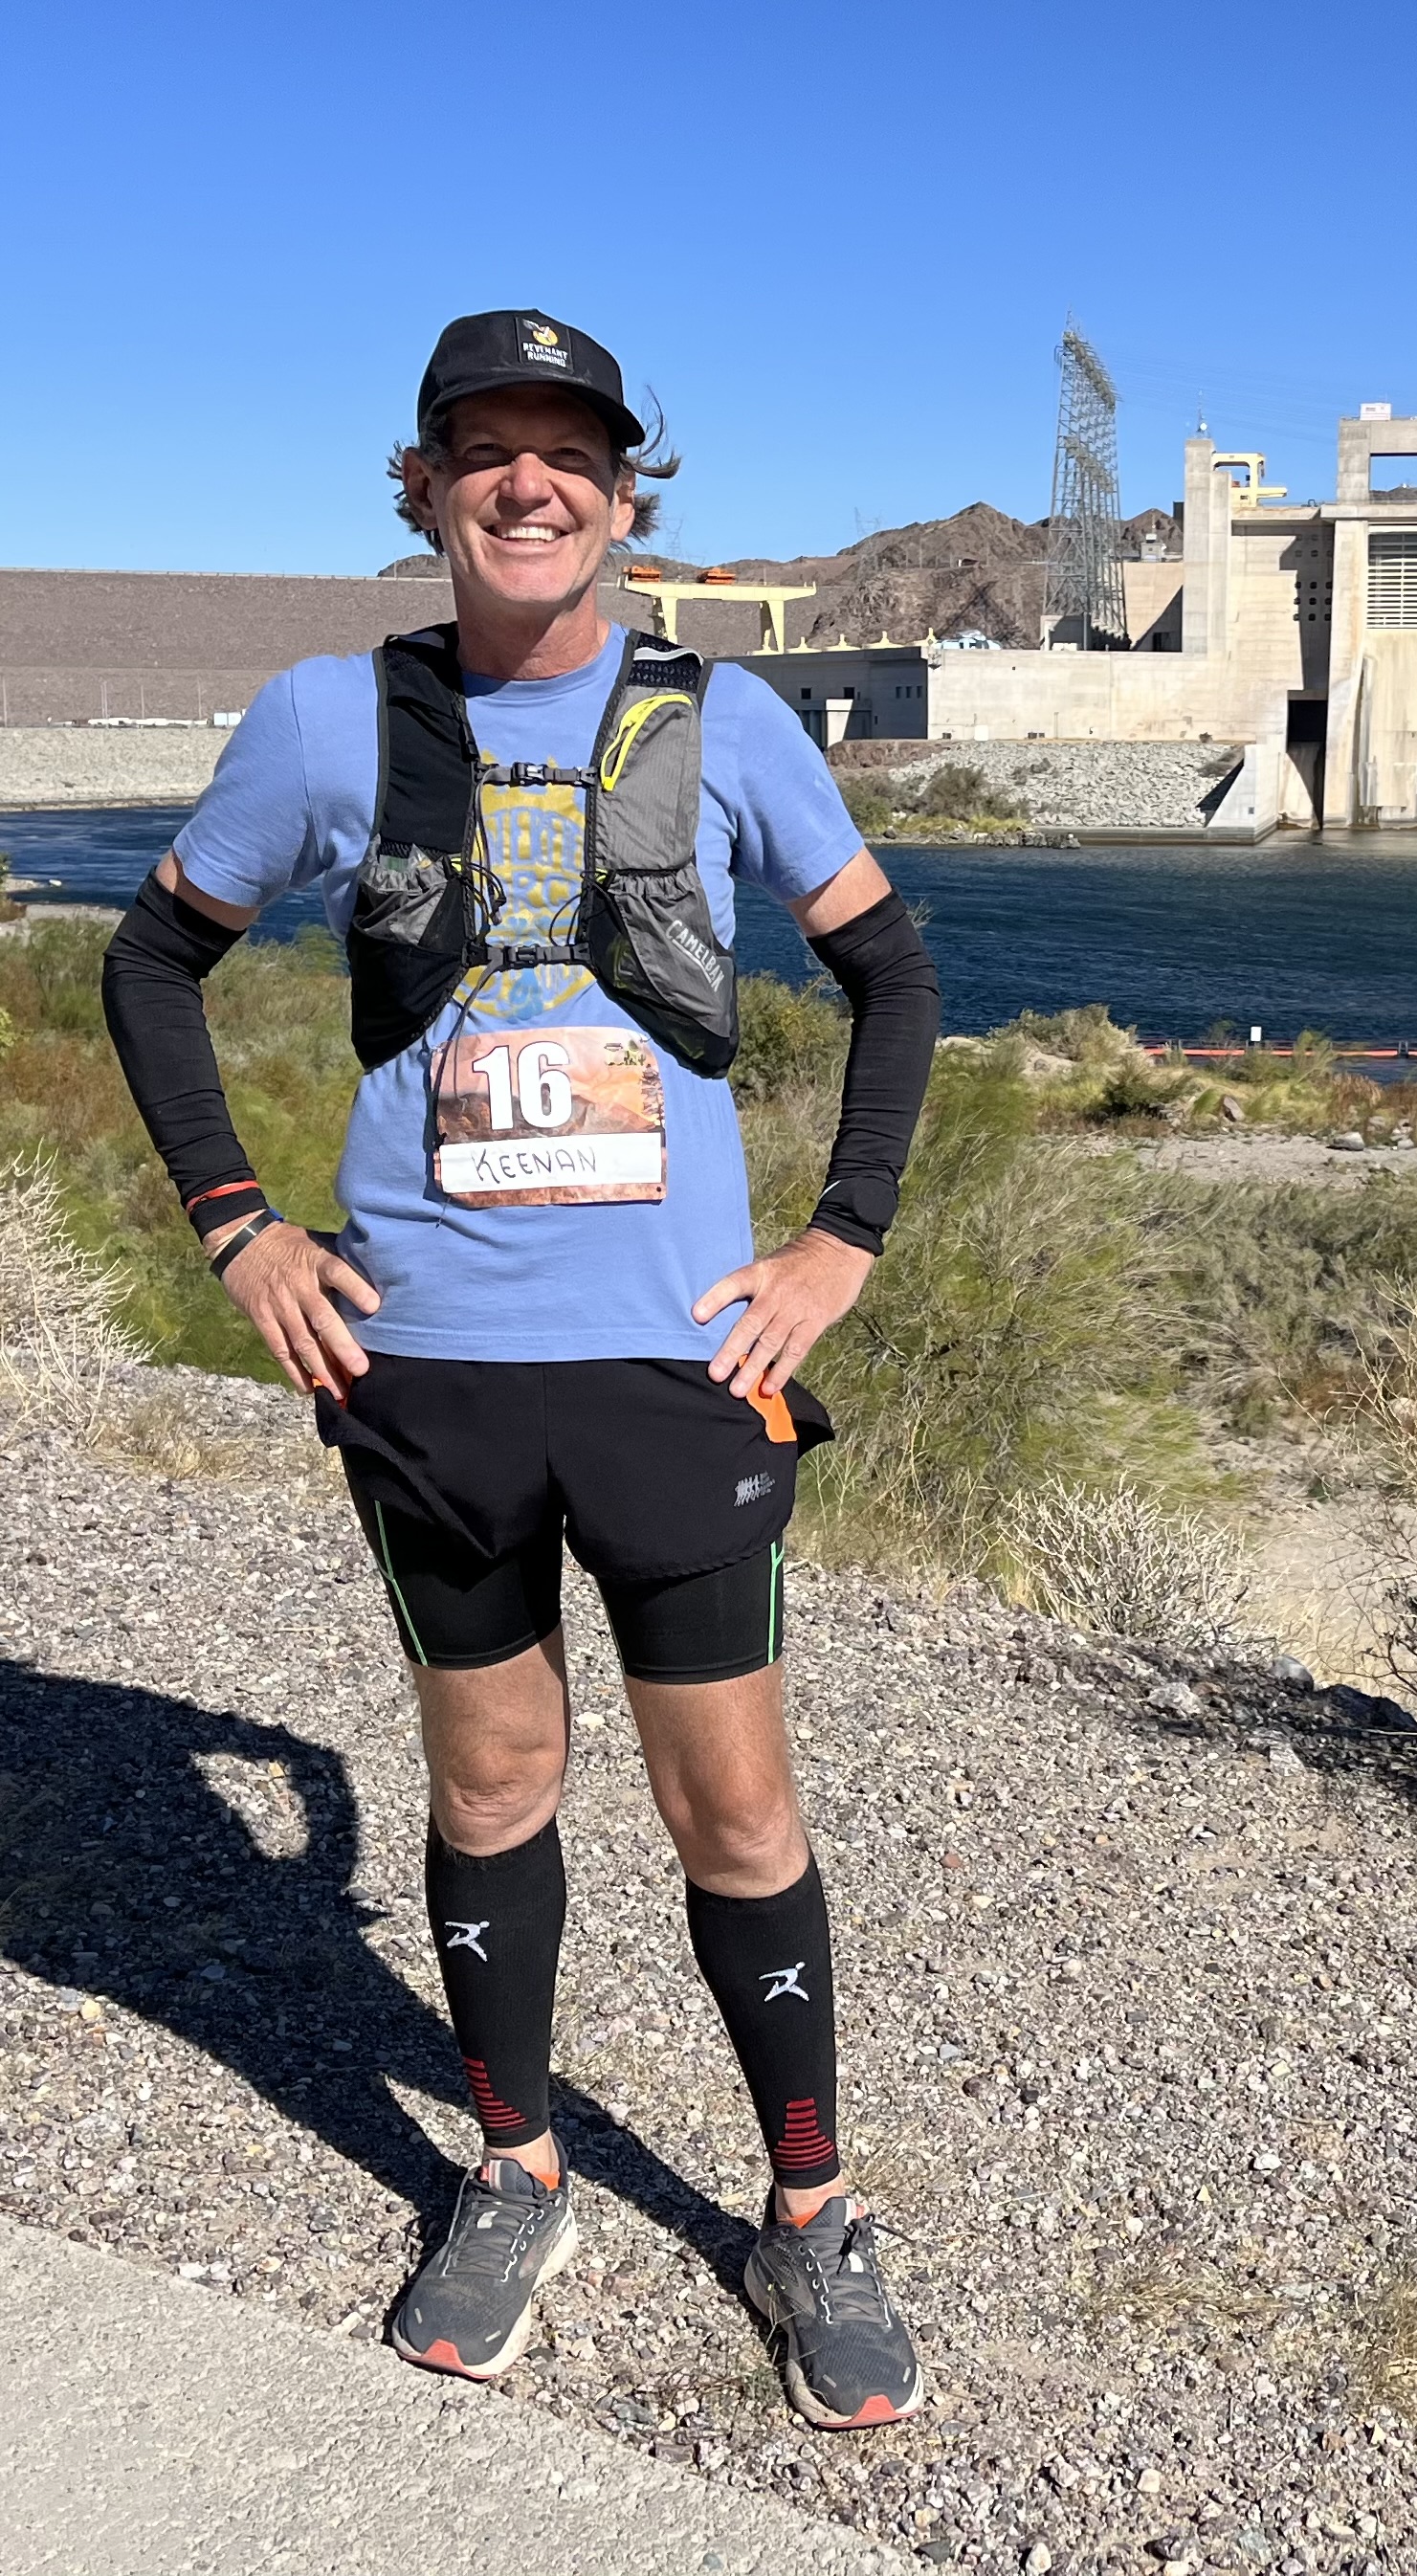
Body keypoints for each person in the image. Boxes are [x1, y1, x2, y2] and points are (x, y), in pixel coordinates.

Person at [99, 310, 941, 2430]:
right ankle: (516, 2166)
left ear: (628, 494)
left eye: (567, 449)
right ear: (423, 489)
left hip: (675, 1370)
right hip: (433, 1377)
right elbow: (155, 956)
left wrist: (839, 1242)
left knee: (732, 1805)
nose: (527, 481)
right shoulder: (329, 719)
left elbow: (892, 971)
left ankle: (810, 2211)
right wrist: (239, 1224)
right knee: (488, 1786)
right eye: (484, 447)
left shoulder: (731, 724)